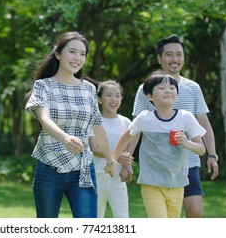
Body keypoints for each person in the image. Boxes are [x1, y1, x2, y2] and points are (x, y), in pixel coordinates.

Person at [120, 34, 219, 218]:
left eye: (179, 54)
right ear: (159, 58)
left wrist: (212, 154)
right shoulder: (146, 89)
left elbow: (203, 123)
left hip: (188, 162)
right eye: (169, 54)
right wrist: (127, 160)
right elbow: (135, 130)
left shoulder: (193, 88)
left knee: (195, 213)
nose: (175, 59)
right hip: (159, 165)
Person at [25, 31, 116, 218]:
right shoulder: (44, 86)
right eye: (72, 52)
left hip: (82, 170)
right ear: (58, 54)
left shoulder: (89, 89)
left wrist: (110, 160)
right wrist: (65, 137)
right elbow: (44, 118)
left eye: (82, 54)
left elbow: (98, 126)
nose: (78, 58)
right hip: (49, 167)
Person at [113, 71, 207, 218]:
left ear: (177, 95)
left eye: (172, 88)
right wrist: (115, 157)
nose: (168, 90)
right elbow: (126, 137)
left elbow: (201, 149)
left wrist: (186, 142)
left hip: (177, 183)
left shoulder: (185, 118)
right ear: (149, 96)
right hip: (151, 183)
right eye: (162, 88)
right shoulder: (145, 118)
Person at [88, 80, 134, 218]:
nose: (114, 99)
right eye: (109, 95)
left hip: (117, 178)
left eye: (117, 95)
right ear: (99, 99)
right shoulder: (94, 120)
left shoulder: (126, 122)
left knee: (123, 219)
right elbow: (95, 148)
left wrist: (127, 166)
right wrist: (116, 157)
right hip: (97, 176)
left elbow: (126, 151)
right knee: (95, 218)